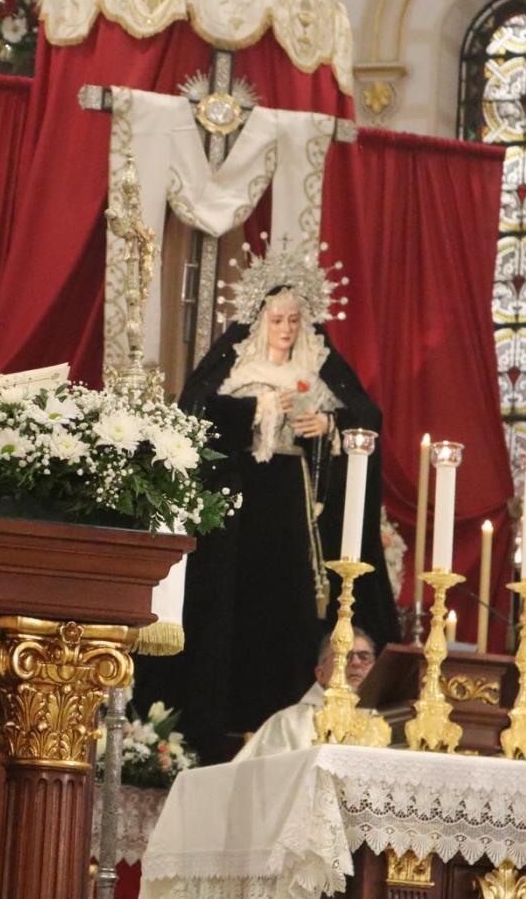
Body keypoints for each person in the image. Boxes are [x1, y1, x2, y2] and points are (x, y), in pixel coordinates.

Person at [136, 242, 399, 766]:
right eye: (277, 318)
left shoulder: (318, 363)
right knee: (230, 611)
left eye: (294, 319)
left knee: (293, 609)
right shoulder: (237, 362)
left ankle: (289, 729)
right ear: (261, 319)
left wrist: (325, 427)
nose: (285, 328)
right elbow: (197, 412)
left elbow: (363, 418)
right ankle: (215, 726)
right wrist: (258, 407)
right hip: (237, 510)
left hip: (293, 507)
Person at [231, 627, 378, 760]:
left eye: (364, 657)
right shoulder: (289, 723)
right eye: (344, 657)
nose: (356, 663)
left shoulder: (385, 719)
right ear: (320, 674)